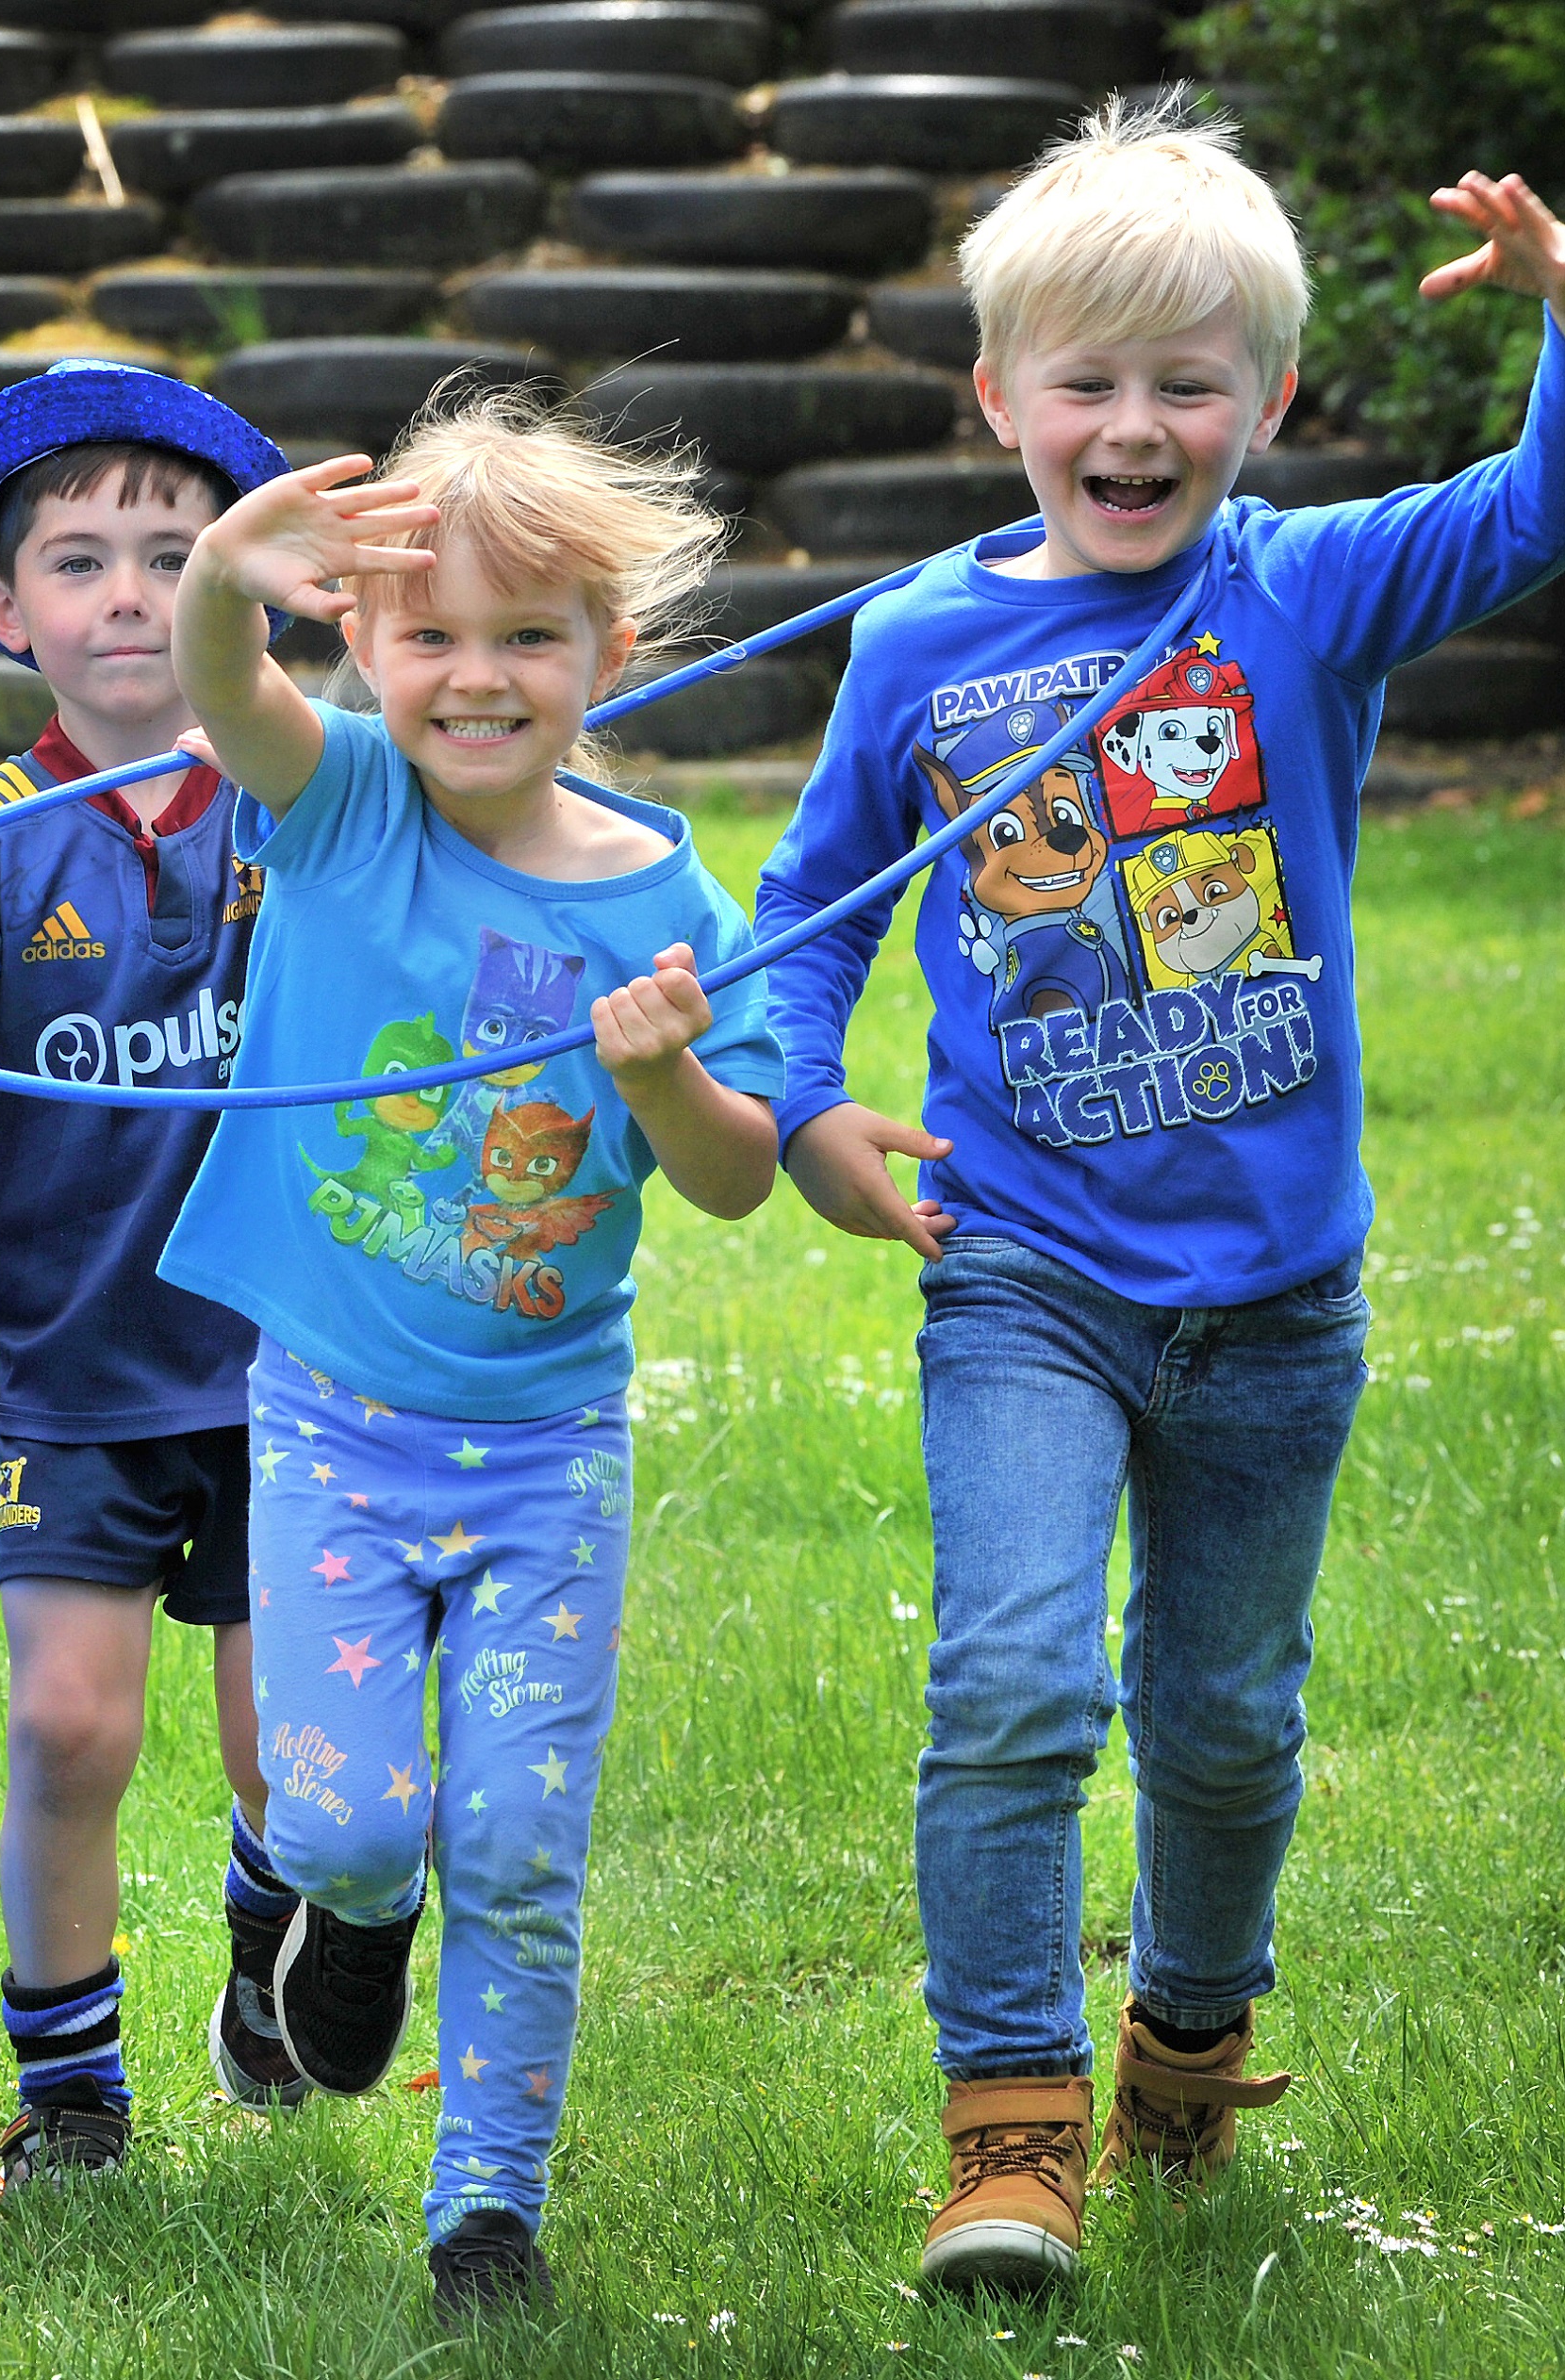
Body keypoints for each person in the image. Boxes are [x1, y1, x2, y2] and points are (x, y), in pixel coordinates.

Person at [754, 102, 1565, 2296]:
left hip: (1279, 1293)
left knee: (1227, 1716)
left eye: (1188, 381)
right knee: (1015, 1683)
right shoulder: (916, 646)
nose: (1134, 426)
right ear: (996, 395)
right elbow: (812, 911)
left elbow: (1534, 508)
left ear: (1269, 404)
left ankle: (1190, 2040)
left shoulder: (1298, 588)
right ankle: (1009, 2128)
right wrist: (802, 1110)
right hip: (1025, 1268)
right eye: (1085, 382)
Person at [161, 386, 787, 2316]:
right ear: (367, 647)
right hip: (334, 1430)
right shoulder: (340, 803)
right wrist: (215, 577)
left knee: (523, 1833)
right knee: (352, 1815)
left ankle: (487, 2207)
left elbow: (740, 1174)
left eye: (531, 636)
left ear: (608, 652)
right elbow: (224, 693)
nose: (479, 677)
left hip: (544, 1460)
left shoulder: (674, 900)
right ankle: (352, 1914)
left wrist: (662, 1071)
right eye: (431, 634)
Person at [0, 364, 303, 2188]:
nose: (126, 592)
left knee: (296, 1772)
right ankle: (73, 2094)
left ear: (236, 593)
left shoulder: (300, 790)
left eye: (173, 556)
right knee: (66, 1724)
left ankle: (266, 1952)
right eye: (80, 559)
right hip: (83, 1375)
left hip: (293, 1362)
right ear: (5, 610)